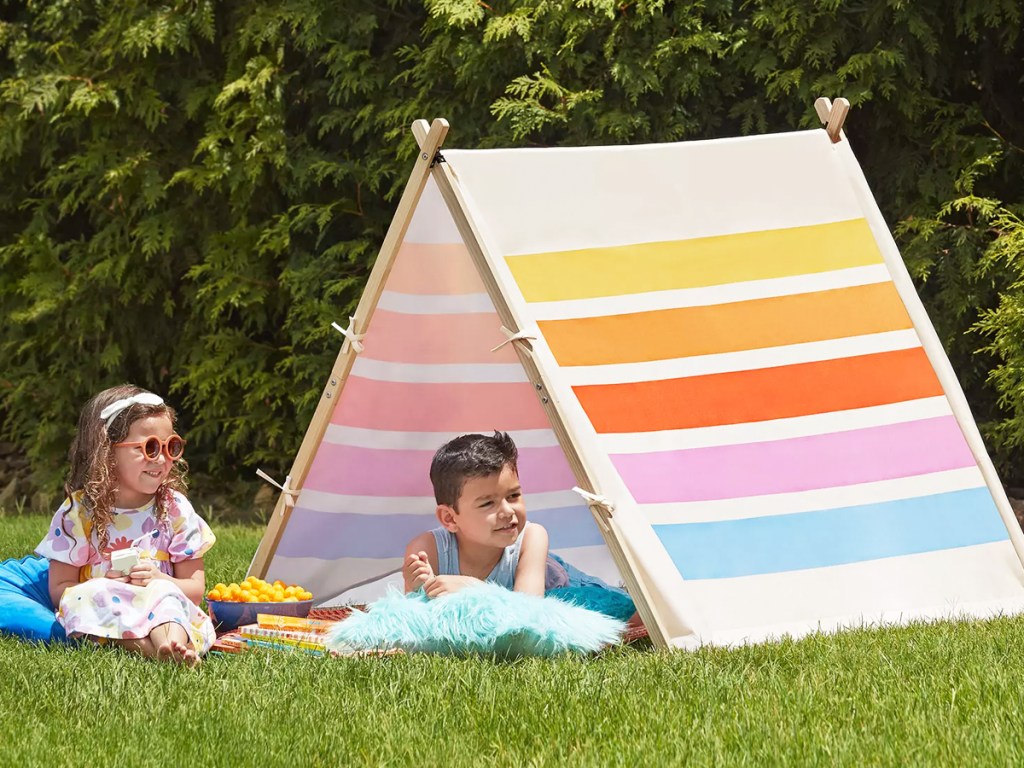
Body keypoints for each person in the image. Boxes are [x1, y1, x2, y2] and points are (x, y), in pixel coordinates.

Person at [34, 384, 216, 665]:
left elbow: (194, 588)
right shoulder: (81, 512)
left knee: (167, 596)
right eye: (149, 447)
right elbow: (60, 588)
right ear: (107, 451)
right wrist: (102, 583)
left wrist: (161, 580)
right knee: (92, 596)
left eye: (171, 447)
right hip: (107, 607)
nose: (162, 459)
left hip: (161, 607)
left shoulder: (175, 509)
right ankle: (151, 650)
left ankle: (171, 644)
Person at [403, 431, 632, 607]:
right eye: (487, 503)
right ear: (450, 518)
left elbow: (528, 612)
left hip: (556, 582)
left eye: (513, 496)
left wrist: (475, 589)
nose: (508, 511)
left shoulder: (532, 537)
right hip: (515, 591)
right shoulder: (426, 549)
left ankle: (625, 590)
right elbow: (415, 624)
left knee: (625, 609)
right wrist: (418, 591)